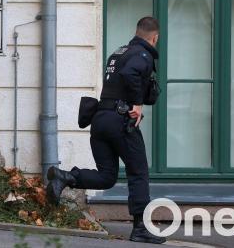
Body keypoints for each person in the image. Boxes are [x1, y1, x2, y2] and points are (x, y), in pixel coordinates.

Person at [46, 17, 165, 244]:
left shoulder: (119, 52)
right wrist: (137, 104)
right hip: (120, 121)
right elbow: (130, 75)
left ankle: (66, 177)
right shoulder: (142, 54)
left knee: (107, 176)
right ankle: (140, 228)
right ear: (154, 37)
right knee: (138, 171)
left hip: (100, 120)